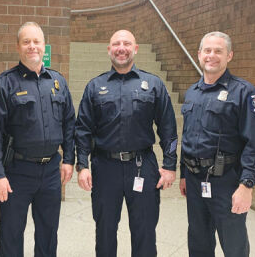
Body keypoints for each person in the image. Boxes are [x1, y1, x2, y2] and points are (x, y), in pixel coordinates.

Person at [75, 30, 178, 257]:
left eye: (126, 43)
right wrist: (82, 166)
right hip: (105, 167)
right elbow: (82, 129)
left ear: (136, 48)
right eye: (116, 44)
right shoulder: (95, 86)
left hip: (143, 166)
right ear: (109, 49)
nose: (121, 48)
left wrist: (170, 166)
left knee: (144, 232)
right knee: (105, 231)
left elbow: (169, 128)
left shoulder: (153, 84)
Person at [0, 22, 75, 257]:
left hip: (51, 171)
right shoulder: (4, 84)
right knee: (11, 234)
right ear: (18, 46)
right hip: (16, 172)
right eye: (26, 42)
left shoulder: (58, 81)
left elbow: (69, 123)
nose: (32, 46)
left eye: (37, 42)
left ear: (44, 46)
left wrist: (69, 159)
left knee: (48, 232)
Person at [179, 31, 255, 257]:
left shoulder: (244, 92)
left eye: (218, 51)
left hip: (228, 182)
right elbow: (187, 137)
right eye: (207, 50)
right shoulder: (193, 93)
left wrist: (247, 185)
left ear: (229, 56)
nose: (211, 55)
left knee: (234, 245)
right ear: (199, 54)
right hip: (195, 181)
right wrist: (184, 174)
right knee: (199, 242)